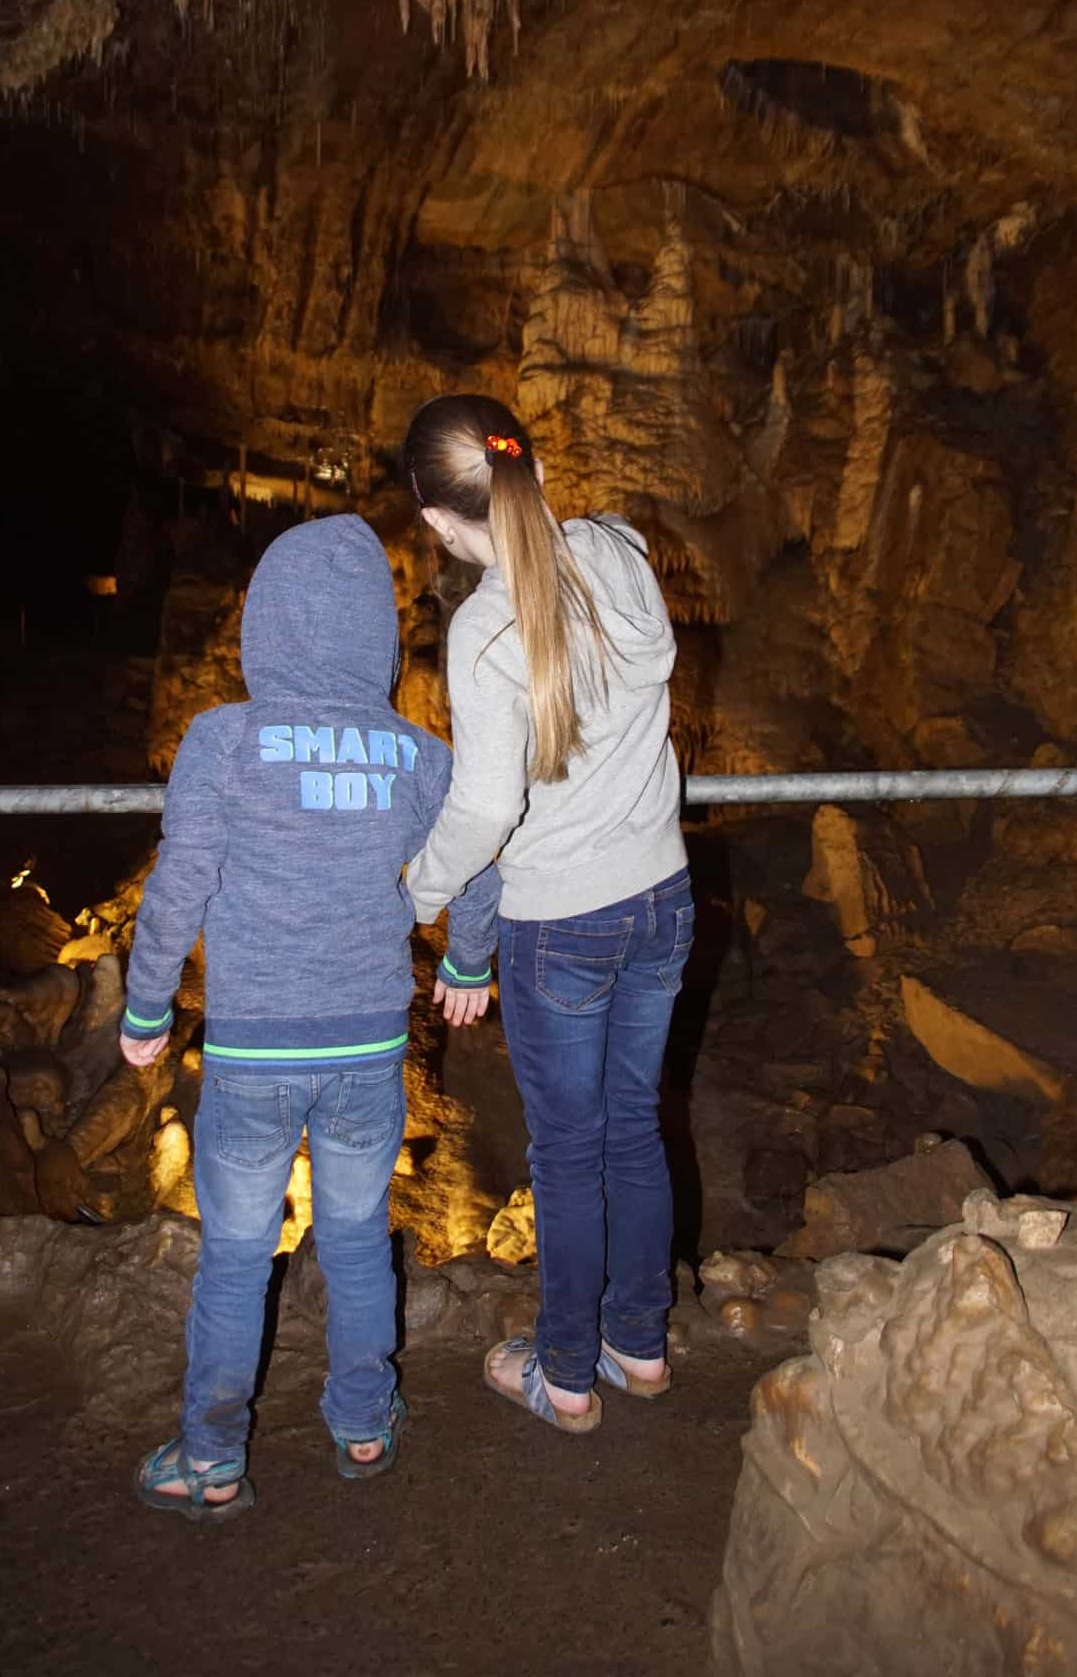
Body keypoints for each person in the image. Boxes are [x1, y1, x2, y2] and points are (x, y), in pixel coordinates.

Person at [119, 513, 498, 1519]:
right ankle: (364, 1424)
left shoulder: (222, 740)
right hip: (369, 1046)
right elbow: (478, 859)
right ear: (374, 631)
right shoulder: (417, 756)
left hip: (250, 1051)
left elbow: (177, 887)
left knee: (237, 1258)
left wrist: (145, 1006)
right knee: (356, 1236)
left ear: (269, 625)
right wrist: (468, 957)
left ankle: (212, 1457)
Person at [402, 394, 693, 1435]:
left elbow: (483, 807)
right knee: (631, 1133)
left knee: (567, 1154)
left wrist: (417, 893)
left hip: (560, 924)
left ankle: (564, 1375)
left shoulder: (485, 630)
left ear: (437, 521)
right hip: (659, 901)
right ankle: (638, 1345)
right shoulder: (617, 551)